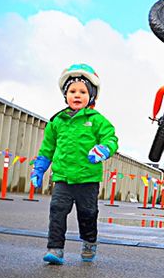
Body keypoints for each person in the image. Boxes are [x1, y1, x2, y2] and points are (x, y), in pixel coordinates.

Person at [31, 63, 118, 265]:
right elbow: (47, 149)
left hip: (88, 178)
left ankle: (89, 242)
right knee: (57, 211)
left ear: (92, 96)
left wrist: (104, 149)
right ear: (65, 94)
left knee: (88, 213)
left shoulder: (96, 120)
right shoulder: (56, 122)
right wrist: (39, 168)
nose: (77, 95)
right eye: (72, 91)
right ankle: (55, 248)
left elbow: (111, 138)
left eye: (82, 91)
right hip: (62, 177)